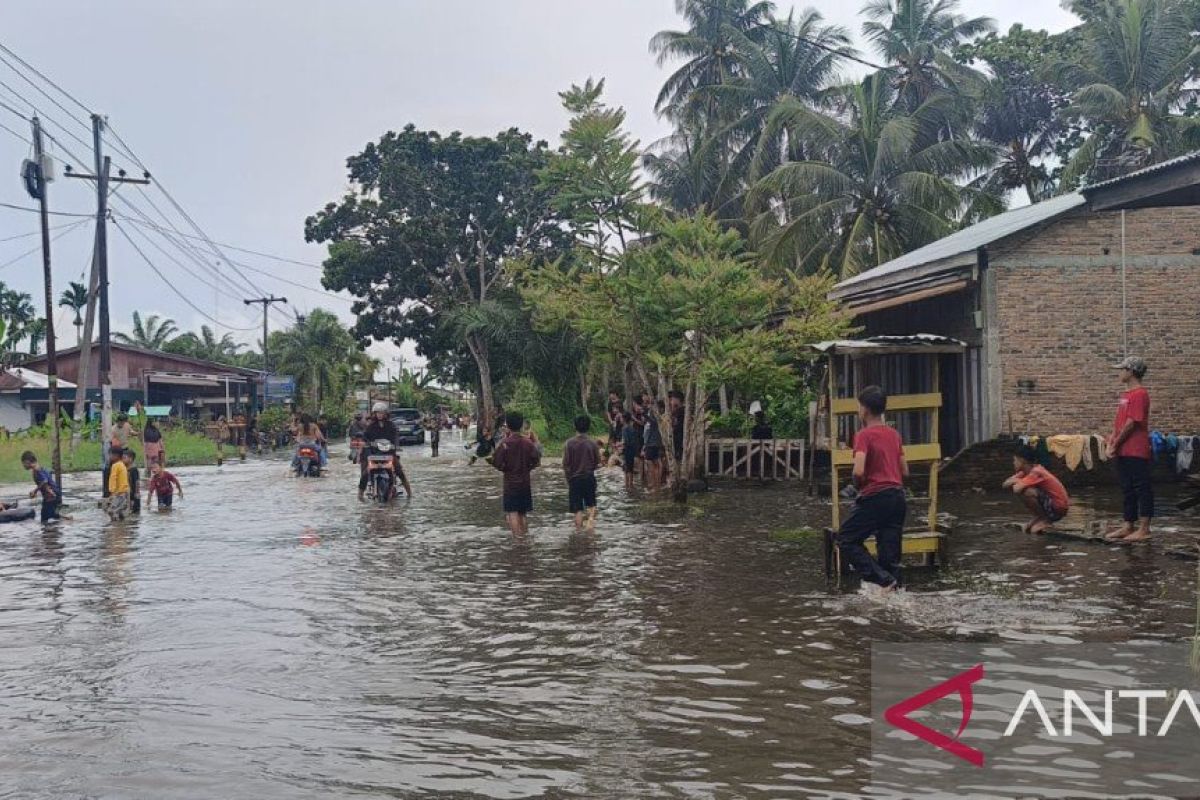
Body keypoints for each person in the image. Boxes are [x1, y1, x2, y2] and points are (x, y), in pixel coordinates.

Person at [837, 386, 909, 591]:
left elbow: (858, 471)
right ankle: (894, 594)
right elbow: (905, 470)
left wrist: (856, 484)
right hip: (897, 497)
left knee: (846, 538)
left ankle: (882, 579)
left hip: (876, 496)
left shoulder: (863, 435)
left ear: (865, 409)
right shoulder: (894, 434)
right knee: (890, 556)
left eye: (859, 406)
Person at [1106, 356, 1153, 542]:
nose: (1120, 372)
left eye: (1122, 369)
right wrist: (1111, 442)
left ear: (1131, 372)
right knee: (1127, 488)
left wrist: (1116, 443)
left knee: (1142, 487)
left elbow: (1132, 423)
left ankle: (1144, 528)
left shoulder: (1140, 394)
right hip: (1122, 449)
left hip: (1136, 449)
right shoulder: (1125, 395)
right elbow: (1118, 421)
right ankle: (1128, 525)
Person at [491, 411, 542, 534]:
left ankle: (517, 540)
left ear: (508, 425)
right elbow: (537, 460)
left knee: (512, 512)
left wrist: (505, 469)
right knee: (522, 513)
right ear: (521, 425)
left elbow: (496, 462)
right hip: (525, 482)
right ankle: (524, 536)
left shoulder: (504, 444)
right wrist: (528, 468)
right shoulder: (528, 443)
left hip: (510, 484)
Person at [1004, 445, 1070, 535]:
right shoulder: (1024, 472)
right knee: (1024, 489)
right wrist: (1018, 480)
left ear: (1022, 461)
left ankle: (1044, 519)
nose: (1013, 463)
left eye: (1015, 460)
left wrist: (1016, 481)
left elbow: (1016, 489)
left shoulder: (1036, 471)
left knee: (1026, 491)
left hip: (1058, 508)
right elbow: (1005, 484)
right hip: (1051, 504)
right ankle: (1039, 517)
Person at [359, 401, 411, 500]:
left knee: (399, 471)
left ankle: (409, 493)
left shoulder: (391, 425)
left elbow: (396, 437)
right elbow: (365, 437)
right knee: (365, 473)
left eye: (382, 413)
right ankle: (360, 495)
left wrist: (395, 446)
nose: (379, 415)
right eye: (377, 413)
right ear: (374, 414)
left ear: (386, 414)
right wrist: (366, 444)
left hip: (389, 453)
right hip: (374, 454)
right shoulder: (371, 426)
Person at [563, 415, 602, 532]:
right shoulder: (593, 443)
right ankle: (591, 531)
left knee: (577, 510)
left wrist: (568, 479)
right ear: (588, 427)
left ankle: (579, 533)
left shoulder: (569, 443)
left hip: (574, 479)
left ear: (575, 426)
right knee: (591, 505)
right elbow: (597, 462)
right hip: (589, 477)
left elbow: (566, 464)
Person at [21, 451, 60, 523]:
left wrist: (35, 491)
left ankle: (68, 520)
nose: (23, 466)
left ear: (27, 462)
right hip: (51, 494)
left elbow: (45, 481)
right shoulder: (39, 468)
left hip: (51, 495)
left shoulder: (37, 469)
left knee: (45, 518)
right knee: (49, 515)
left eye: (23, 463)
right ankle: (67, 519)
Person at [643, 401, 664, 490]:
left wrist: (644, 412)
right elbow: (646, 433)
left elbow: (651, 420)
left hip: (653, 444)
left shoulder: (655, 419)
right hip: (648, 444)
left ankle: (655, 485)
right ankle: (654, 484)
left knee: (653, 465)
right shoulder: (650, 420)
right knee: (652, 465)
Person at [106, 446, 131, 521]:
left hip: (119, 493)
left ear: (115, 456)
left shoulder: (115, 466)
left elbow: (113, 478)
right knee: (119, 510)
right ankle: (122, 525)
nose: (109, 457)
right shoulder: (122, 465)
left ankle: (115, 527)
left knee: (111, 511)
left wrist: (112, 491)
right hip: (124, 492)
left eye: (110, 455)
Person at [620, 410, 643, 491]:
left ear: (624, 419)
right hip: (632, 450)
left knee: (627, 468)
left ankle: (628, 485)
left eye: (621, 418)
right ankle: (630, 484)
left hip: (627, 450)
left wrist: (620, 445)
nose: (620, 419)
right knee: (629, 467)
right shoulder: (632, 428)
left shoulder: (625, 428)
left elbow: (626, 441)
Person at [123, 449, 142, 514]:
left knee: (135, 511)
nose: (123, 460)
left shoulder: (134, 469)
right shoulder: (124, 469)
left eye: (124, 458)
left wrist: (136, 493)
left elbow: (137, 482)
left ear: (130, 459)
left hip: (134, 494)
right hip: (127, 493)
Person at [668, 390, 685, 463]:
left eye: (673, 399)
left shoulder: (682, 411)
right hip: (675, 438)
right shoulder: (675, 411)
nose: (671, 401)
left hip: (681, 438)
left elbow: (676, 424)